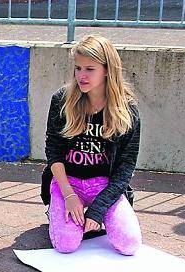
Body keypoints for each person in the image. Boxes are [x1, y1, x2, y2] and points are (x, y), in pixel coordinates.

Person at [41, 34, 143, 256]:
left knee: (129, 244)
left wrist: (98, 210)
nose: (81, 75)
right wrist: (68, 195)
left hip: (103, 185)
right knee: (66, 244)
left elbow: (126, 168)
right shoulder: (62, 100)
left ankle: (101, 216)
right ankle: (57, 211)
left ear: (107, 70)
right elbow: (53, 152)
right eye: (78, 68)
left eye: (90, 69)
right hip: (68, 182)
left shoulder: (126, 110)